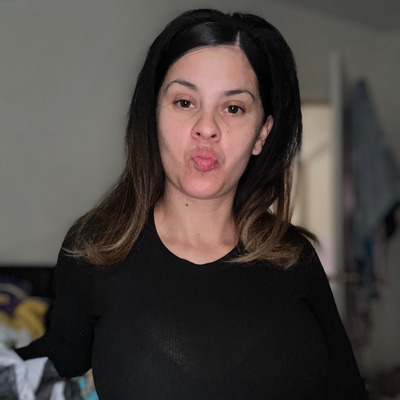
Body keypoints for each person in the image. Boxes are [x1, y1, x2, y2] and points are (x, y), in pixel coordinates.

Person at [16, 8, 368, 399]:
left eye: (233, 108)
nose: (207, 127)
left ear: (261, 134)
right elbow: (53, 362)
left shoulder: (294, 257)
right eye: (185, 102)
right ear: (153, 116)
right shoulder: (94, 251)